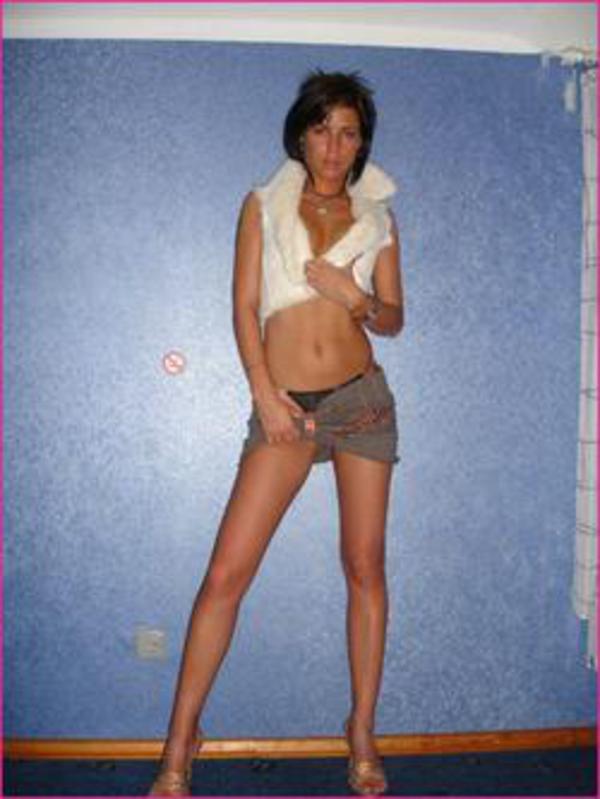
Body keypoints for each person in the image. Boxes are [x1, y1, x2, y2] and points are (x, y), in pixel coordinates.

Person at [149, 69, 404, 797]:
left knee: (365, 569)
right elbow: (242, 306)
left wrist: (356, 298)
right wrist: (264, 393)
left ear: (361, 143)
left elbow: (394, 317)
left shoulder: (378, 215)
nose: (334, 145)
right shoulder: (263, 204)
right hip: (284, 406)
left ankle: (361, 729)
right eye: (322, 129)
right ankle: (180, 742)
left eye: (348, 132)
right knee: (225, 575)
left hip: (362, 403)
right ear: (301, 135)